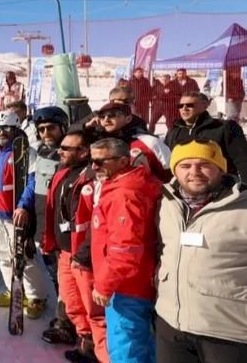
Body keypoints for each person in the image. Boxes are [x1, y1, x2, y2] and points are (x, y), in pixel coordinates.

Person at [156, 140, 247, 363]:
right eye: (185, 166)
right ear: (175, 170)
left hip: (227, 331)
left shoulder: (242, 206)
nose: (194, 172)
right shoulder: (166, 203)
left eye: (204, 164)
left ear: (221, 168)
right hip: (171, 323)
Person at [89, 138, 161, 363]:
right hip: (135, 281)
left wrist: (104, 285)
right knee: (142, 345)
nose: (94, 167)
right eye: (92, 161)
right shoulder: (126, 183)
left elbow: (125, 248)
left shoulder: (125, 194)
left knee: (126, 350)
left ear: (122, 161)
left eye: (100, 162)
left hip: (126, 286)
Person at [0, 111, 48, 318]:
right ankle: (15, 289)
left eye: (6, 129)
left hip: (16, 214)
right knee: (3, 255)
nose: (1, 133)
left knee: (23, 256)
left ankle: (36, 296)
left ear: (15, 130)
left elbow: (33, 183)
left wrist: (23, 205)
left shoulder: (26, 152)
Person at [40, 131, 105, 362]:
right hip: (65, 251)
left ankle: (100, 353)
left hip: (85, 255)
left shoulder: (92, 177)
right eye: (61, 147)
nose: (61, 151)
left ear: (84, 152)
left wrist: (85, 253)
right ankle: (85, 343)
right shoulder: (62, 173)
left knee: (93, 308)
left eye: (67, 148)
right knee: (71, 301)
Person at [31, 107, 77, 345]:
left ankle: (69, 324)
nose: (46, 133)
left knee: (68, 278)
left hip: (65, 229)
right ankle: (65, 318)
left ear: (63, 128)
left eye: (51, 128)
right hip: (43, 224)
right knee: (57, 276)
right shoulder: (41, 153)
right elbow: (34, 187)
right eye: (41, 129)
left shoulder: (71, 156)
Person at [165, 91, 247, 180]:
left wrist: (244, 187)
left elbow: (242, 159)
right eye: (180, 106)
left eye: (190, 105)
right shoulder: (174, 131)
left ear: (204, 106)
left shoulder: (225, 127)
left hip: (221, 187)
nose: (184, 108)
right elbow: (167, 161)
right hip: (184, 186)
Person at [95, 101, 172, 182]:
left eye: (112, 115)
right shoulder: (98, 145)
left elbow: (170, 173)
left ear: (128, 118)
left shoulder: (149, 142)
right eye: (102, 116)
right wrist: (87, 130)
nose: (106, 119)